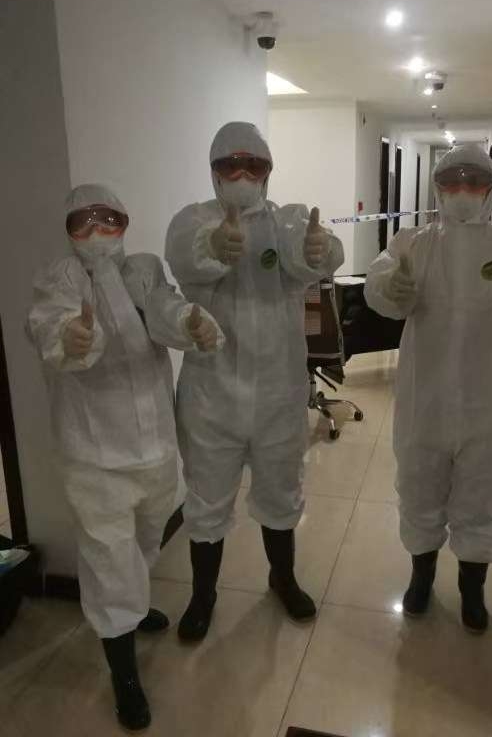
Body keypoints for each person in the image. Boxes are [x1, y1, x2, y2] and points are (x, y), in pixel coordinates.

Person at [27, 184, 223, 731]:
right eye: (83, 221)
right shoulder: (60, 279)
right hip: (95, 455)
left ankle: (132, 610)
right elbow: (46, 323)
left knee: (145, 540)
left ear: (124, 222)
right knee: (109, 560)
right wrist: (71, 336)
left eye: (107, 218)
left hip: (154, 445)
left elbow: (163, 308)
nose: (97, 231)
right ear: (68, 229)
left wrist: (188, 321)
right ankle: (125, 676)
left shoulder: (143, 269)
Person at [364, 144, 492, 633]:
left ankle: (472, 590)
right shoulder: (412, 243)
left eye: (473, 180)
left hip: (489, 402)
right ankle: (421, 577)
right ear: (437, 187)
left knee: (485, 494)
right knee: (419, 487)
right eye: (451, 179)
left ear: (490, 188)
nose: (462, 190)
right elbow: (378, 286)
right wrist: (389, 290)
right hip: (425, 399)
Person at [165, 121, 344, 641]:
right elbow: (186, 255)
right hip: (212, 395)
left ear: (268, 172)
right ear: (214, 171)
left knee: (280, 493)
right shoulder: (192, 220)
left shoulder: (287, 221)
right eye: (230, 165)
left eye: (254, 165)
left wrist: (320, 250)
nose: (242, 175)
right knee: (206, 500)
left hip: (277, 392)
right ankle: (203, 595)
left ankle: (282, 578)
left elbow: (316, 251)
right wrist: (213, 245)